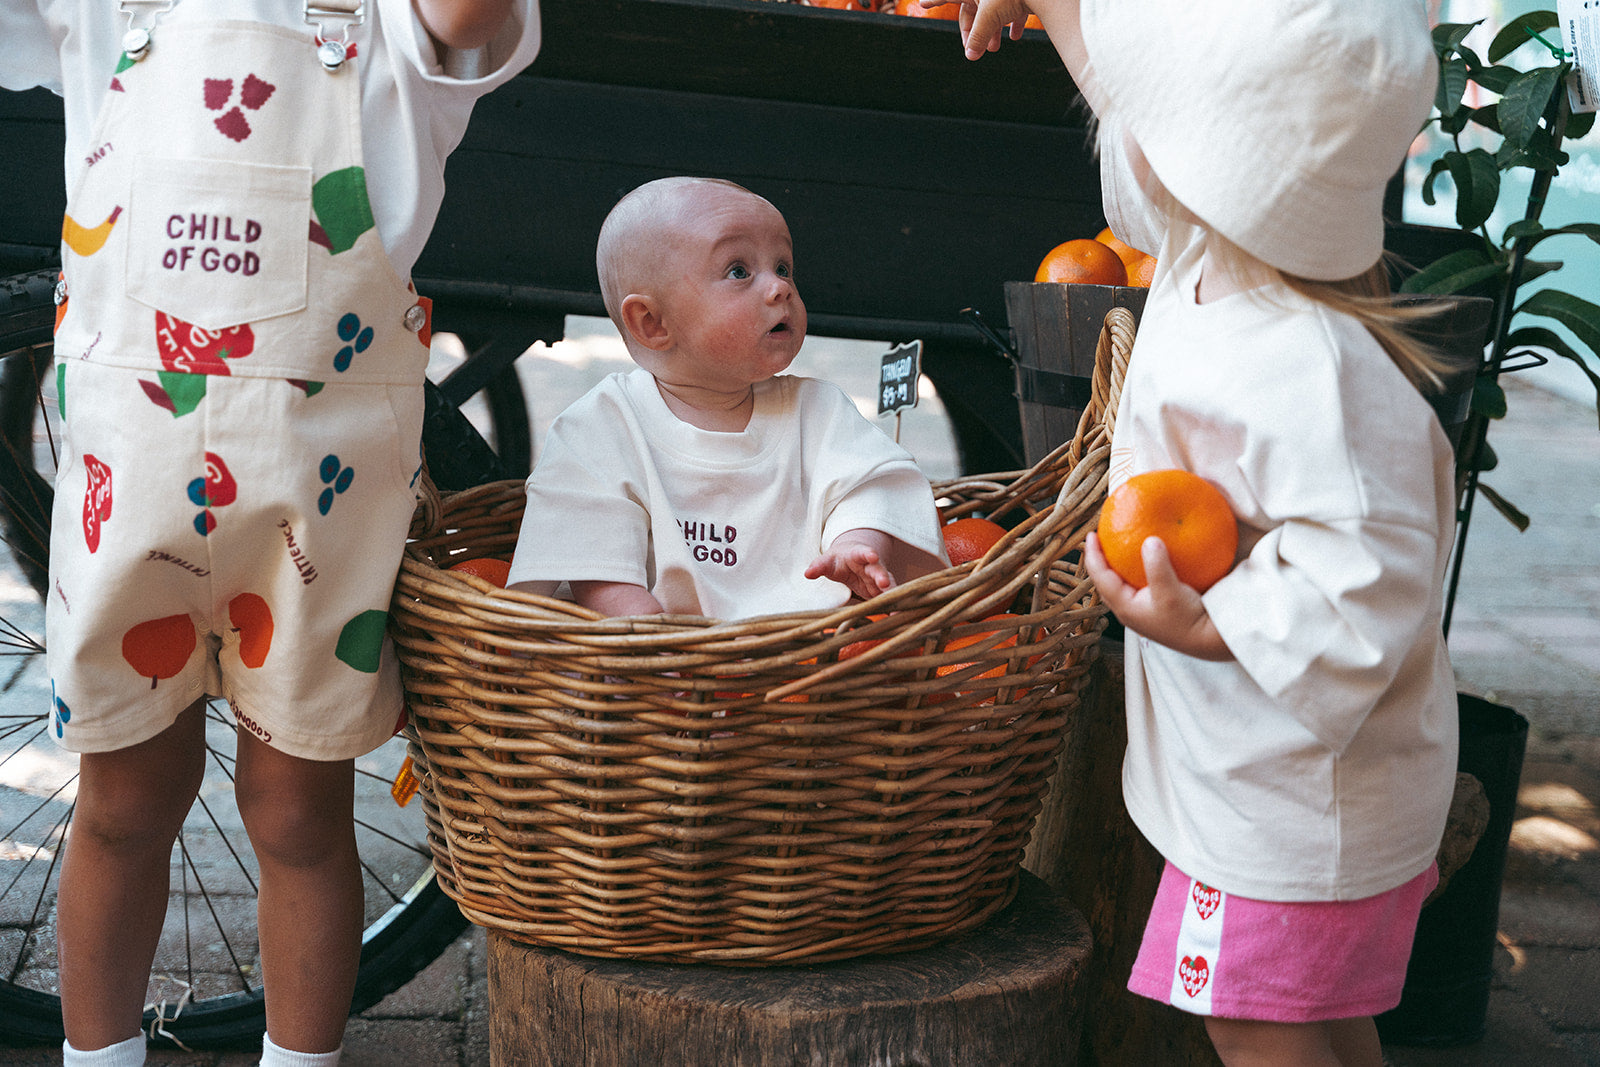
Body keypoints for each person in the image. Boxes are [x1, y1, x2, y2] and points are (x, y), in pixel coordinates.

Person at [0, 2, 541, 1064]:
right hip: (130, 494)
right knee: (123, 800)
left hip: (312, 518)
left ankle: (302, 1056)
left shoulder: (392, 28)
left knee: (296, 814)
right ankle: (94, 1052)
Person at [944, 2, 1459, 1064]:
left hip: (1295, 803)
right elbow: (1144, 111)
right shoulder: (1203, 250)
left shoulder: (1313, 370)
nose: (1134, 129)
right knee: (1318, 1015)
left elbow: (1368, 580)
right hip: (1267, 779)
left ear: (1211, 166)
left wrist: (1208, 621)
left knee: (1251, 1019)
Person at [507, 176, 949, 618]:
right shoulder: (603, 427)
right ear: (652, 323)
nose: (780, 288)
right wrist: (639, 634)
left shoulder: (818, 411)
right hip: (668, 657)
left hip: (808, 649)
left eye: (783, 267)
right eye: (739, 271)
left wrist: (855, 543)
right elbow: (594, 559)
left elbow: (870, 486)